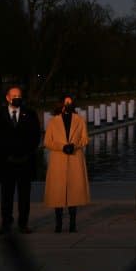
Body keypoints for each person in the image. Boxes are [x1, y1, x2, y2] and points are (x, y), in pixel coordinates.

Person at [0, 86, 41, 235]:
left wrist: (26, 153)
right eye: (13, 95)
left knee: (24, 195)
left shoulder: (30, 114)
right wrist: (6, 154)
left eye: (19, 95)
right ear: (7, 97)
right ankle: (6, 223)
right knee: (6, 195)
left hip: (25, 161)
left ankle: (23, 223)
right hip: (6, 162)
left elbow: (35, 136)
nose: (16, 98)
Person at [43, 95, 90, 233]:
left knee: (73, 193)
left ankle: (73, 224)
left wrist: (74, 145)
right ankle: (58, 224)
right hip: (58, 160)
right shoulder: (53, 121)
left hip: (75, 159)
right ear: (61, 103)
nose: (68, 103)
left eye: (70, 101)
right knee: (58, 194)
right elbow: (47, 142)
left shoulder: (80, 120)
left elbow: (85, 139)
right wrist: (61, 147)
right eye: (66, 101)